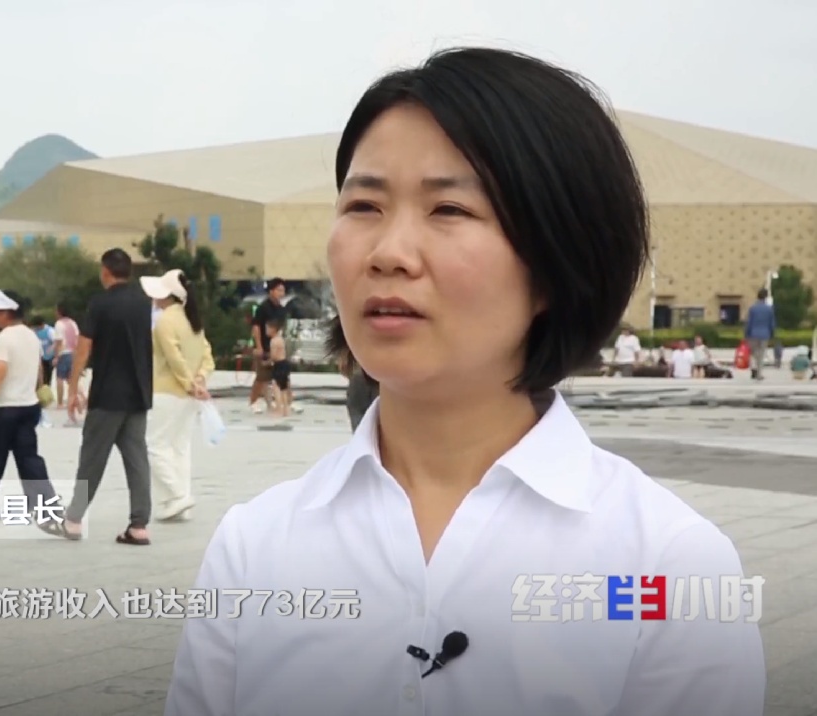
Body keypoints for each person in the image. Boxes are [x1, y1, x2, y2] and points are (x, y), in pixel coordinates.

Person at [165, 47, 764, 716]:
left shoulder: (667, 567)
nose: (388, 253)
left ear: (556, 259)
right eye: (363, 205)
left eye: (448, 209)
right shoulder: (255, 546)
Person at [63, 248, 154, 545]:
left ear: (105, 271)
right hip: (138, 394)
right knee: (137, 459)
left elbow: (83, 348)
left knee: (92, 458)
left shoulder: (100, 303)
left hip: (108, 395)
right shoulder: (144, 303)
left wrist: (73, 387)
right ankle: (139, 525)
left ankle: (74, 519)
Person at [0, 289, 67, 536]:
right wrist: (37, 389)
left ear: (7, 313)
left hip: (3, 408)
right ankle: (48, 509)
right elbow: (38, 369)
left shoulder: (4, 339)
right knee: (29, 459)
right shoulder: (30, 336)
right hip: (28, 406)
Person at [140, 268, 215, 523]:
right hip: (189, 397)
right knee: (180, 448)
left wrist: (189, 384)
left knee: (153, 445)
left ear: (166, 295)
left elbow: (174, 359)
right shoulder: (192, 320)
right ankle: (181, 501)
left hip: (167, 391)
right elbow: (207, 356)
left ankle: (176, 495)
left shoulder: (165, 322)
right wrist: (199, 380)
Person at [248, 278, 288, 413]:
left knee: (281, 377)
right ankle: (253, 402)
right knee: (262, 377)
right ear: (271, 291)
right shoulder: (263, 308)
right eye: (279, 290)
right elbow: (256, 327)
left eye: (283, 290)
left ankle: (281, 402)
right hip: (264, 345)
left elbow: (282, 328)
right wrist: (258, 346)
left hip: (276, 346)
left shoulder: (281, 309)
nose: (281, 293)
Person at [53, 302, 80, 422]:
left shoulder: (59, 324)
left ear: (59, 311)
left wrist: (56, 356)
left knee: (60, 378)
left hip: (63, 353)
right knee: (71, 378)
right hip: (73, 353)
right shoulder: (73, 323)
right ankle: (80, 397)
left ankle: (60, 402)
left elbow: (59, 342)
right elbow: (77, 338)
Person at [744, 288, 775, 380]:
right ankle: (759, 374)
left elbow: (749, 322)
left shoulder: (753, 308)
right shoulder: (769, 309)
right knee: (761, 354)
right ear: (765, 297)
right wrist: (772, 334)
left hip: (753, 334)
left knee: (753, 353)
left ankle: (754, 368)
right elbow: (772, 323)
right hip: (765, 334)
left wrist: (746, 334)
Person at [266, 319, 293, 416]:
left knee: (276, 387)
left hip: (279, 364)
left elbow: (274, 356)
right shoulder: (280, 339)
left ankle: (279, 409)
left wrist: (267, 362)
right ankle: (286, 409)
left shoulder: (273, 341)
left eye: (267, 328)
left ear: (273, 329)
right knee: (284, 388)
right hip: (285, 363)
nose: (266, 331)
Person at [28, 315, 58, 389]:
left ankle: (46, 389)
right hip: (39, 357)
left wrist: (52, 350)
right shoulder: (34, 331)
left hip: (48, 357)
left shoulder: (50, 331)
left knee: (47, 376)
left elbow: (56, 342)